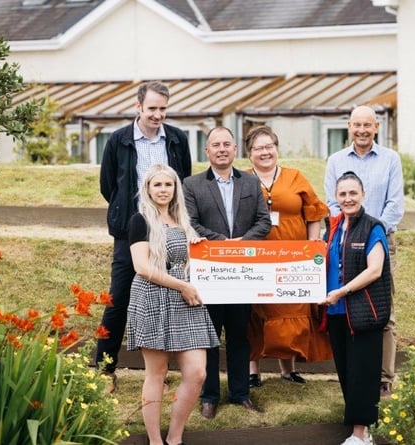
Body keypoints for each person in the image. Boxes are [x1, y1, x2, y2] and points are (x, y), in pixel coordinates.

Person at [97, 81, 192, 393]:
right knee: (118, 298)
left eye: (163, 108)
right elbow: (109, 184)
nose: (158, 114)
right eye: (152, 108)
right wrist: (129, 214)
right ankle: (105, 369)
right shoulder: (119, 140)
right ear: (138, 107)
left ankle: (159, 374)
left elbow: (183, 181)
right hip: (131, 230)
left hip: (168, 229)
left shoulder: (177, 139)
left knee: (163, 298)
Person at [182, 126, 272, 419]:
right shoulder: (192, 185)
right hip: (209, 274)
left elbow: (263, 221)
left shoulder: (250, 182)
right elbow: (191, 223)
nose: (221, 149)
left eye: (227, 144)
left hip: (242, 274)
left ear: (235, 150)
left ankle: (240, 394)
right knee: (209, 336)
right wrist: (223, 245)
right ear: (206, 152)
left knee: (239, 335)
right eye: (215, 145)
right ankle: (209, 397)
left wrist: (241, 244)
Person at [127, 164, 219, 445]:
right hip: (154, 296)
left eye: (168, 185)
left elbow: (188, 260)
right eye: (158, 185)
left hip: (186, 300)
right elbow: (142, 267)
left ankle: (175, 437)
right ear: (148, 189)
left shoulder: (184, 221)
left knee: (197, 373)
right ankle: (155, 441)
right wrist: (182, 285)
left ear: (175, 188)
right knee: (157, 374)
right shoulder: (140, 220)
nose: (163, 190)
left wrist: (199, 250)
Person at [323, 105, 404, 398]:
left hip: (380, 238)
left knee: (382, 308)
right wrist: (351, 230)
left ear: (377, 127)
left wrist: (370, 231)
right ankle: (352, 372)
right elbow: (333, 203)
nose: (362, 130)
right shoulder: (335, 161)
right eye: (357, 125)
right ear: (349, 126)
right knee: (346, 305)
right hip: (342, 239)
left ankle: (384, 377)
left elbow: (395, 204)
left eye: (367, 125)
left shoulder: (391, 159)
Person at [243, 125, 332, 387]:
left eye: (269, 146)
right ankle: (253, 371)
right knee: (257, 312)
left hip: (293, 257)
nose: (265, 152)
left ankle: (288, 369)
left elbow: (313, 212)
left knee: (291, 308)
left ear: (277, 148)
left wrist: (313, 245)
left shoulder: (296, 177)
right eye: (258, 148)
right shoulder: (243, 179)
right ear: (249, 153)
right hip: (256, 258)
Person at [320, 171, 392, 445]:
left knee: (363, 373)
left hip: (363, 313)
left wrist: (342, 290)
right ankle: (362, 430)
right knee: (347, 373)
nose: (348, 199)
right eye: (342, 194)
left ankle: (359, 434)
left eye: (353, 193)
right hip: (337, 313)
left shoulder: (373, 227)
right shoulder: (335, 227)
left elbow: (375, 270)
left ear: (363, 195)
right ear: (336, 198)